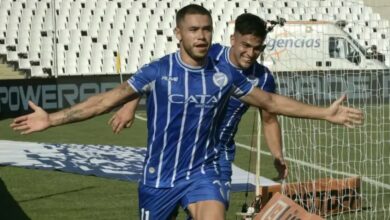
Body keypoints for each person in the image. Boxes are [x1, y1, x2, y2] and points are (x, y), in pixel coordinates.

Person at [11, 4, 363, 220]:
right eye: (194, 29)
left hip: (204, 171)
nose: (201, 35)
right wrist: (52, 119)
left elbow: (269, 104)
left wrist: (324, 113)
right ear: (178, 33)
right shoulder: (157, 71)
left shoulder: (225, 75)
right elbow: (107, 99)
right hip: (159, 176)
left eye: (206, 29)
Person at [109, 14, 288, 212]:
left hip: (219, 154)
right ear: (233, 40)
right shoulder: (212, 53)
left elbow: (270, 119)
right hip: (182, 148)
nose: (251, 53)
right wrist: (129, 105)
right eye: (246, 45)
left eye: (258, 48)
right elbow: (160, 70)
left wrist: (278, 156)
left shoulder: (263, 78)